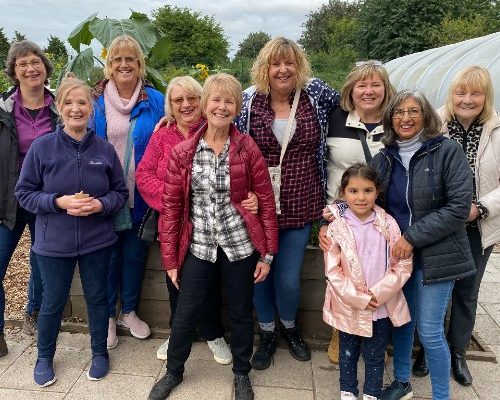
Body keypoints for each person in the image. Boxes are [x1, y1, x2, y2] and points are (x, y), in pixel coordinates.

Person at [148, 73, 278, 400]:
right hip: (200, 246)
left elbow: (265, 201)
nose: (221, 107)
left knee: (240, 312)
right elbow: (172, 209)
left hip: (239, 246)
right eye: (216, 100)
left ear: (237, 107)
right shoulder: (184, 152)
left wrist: (267, 255)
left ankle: (241, 373)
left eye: (229, 101)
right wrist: (170, 261)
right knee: (185, 312)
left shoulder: (247, 148)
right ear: (205, 105)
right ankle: (173, 371)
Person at [15, 74, 128, 387]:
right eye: (69, 103)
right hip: (53, 243)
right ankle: (44, 357)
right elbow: (24, 193)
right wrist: (58, 202)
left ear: (91, 108)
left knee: (98, 298)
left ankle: (99, 353)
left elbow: (120, 193)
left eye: (82, 103)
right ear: (59, 107)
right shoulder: (42, 148)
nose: (76, 109)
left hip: (97, 241)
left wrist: (100, 205)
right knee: (52, 301)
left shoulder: (104, 150)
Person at [136, 75, 258, 363]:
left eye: (192, 97)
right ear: (170, 105)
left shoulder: (215, 129)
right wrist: (172, 200)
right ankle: (179, 334)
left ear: (202, 101)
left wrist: (250, 195)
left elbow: (242, 171)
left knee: (210, 283)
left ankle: (213, 334)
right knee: (176, 282)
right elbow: (144, 174)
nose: (186, 104)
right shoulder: (162, 135)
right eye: (178, 99)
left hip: (209, 225)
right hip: (175, 223)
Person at [235, 37, 340, 369]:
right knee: (259, 275)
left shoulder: (316, 95)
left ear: (300, 66)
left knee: (289, 279)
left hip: (300, 201)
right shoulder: (249, 101)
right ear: (264, 68)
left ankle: (290, 327)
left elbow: (353, 104)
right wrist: (172, 120)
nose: (283, 69)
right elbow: (224, 132)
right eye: (275, 63)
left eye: (289, 63)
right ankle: (267, 333)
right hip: (259, 206)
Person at [370, 90, 475, 400]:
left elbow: (458, 207)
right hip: (398, 259)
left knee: (429, 331)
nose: (406, 118)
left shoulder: (447, 151)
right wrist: (333, 217)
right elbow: (362, 196)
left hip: (437, 256)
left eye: (413, 111)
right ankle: (402, 383)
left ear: (426, 115)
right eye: (399, 112)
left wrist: (412, 237)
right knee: (403, 323)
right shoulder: (384, 158)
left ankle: (441, 395)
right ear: (390, 118)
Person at [318, 60, 396, 364]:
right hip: (340, 215)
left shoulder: (395, 120)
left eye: (376, 84)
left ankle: (377, 337)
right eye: (362, 85)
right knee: (343, 273)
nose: (368, 91)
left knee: (380, 273)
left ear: (386, 89)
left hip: (383, 216)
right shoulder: (334, 118)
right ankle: (341, 333)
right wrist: (323, 220)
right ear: (350, 89)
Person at [90, 35, 165, 349]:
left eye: (130, 59)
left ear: (139, 64)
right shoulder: (95, 100)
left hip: (142, 196)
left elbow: (174, 130)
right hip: (105, 196)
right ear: (109, 65)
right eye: (117, 59)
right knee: (107, 257)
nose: (124, 64)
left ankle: (129, 311)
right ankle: (108, 315)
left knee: (135, 255)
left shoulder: (155, 100)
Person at [323, 163, 412, 400]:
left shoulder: (389, 224)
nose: (361, 197)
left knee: (375, 355)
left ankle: (372, 393)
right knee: (347, 353)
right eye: (353, 191)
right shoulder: (336, 227)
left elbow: (402, 264)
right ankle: (348, 392)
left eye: (368, 190)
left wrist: (378, 294)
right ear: (343, 193)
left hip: (379, 306)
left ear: (377, 191)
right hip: (349, 305)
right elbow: (333, 271)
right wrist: (356, 297)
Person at [435, 66, 498, 386]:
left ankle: (458, 351)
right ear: (452, 94)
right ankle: (430, 348)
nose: (467, 99)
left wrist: (481, 208)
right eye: (461, 92)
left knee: (466, 290)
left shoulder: (496, 130)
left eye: (476, 93)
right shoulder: (435, 124)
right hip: (440, 224)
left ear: (487, 96)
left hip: (477, 225)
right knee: (435, 288)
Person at [0, 40, 57, 355]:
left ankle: (33, 313)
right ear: (14, 71)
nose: (30, 68)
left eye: (35, 62)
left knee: (41, 262)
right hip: (6, 200)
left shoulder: (59, 108)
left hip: (46, 200)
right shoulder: (3, 109)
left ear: (45, 67)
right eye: (22, 64)